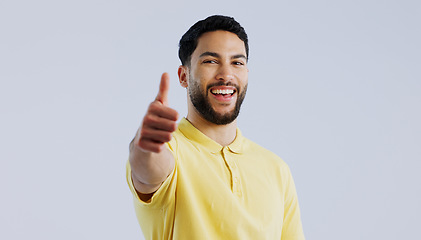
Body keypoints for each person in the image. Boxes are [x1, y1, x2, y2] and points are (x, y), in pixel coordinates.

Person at [126, 15, 305, 240]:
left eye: (237, 62)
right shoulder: (170, 149)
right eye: (210, 61)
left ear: (247, 74)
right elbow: (148, 171)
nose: (226, 75)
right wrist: (145, 146)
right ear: (184, 76)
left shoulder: (277, 169)